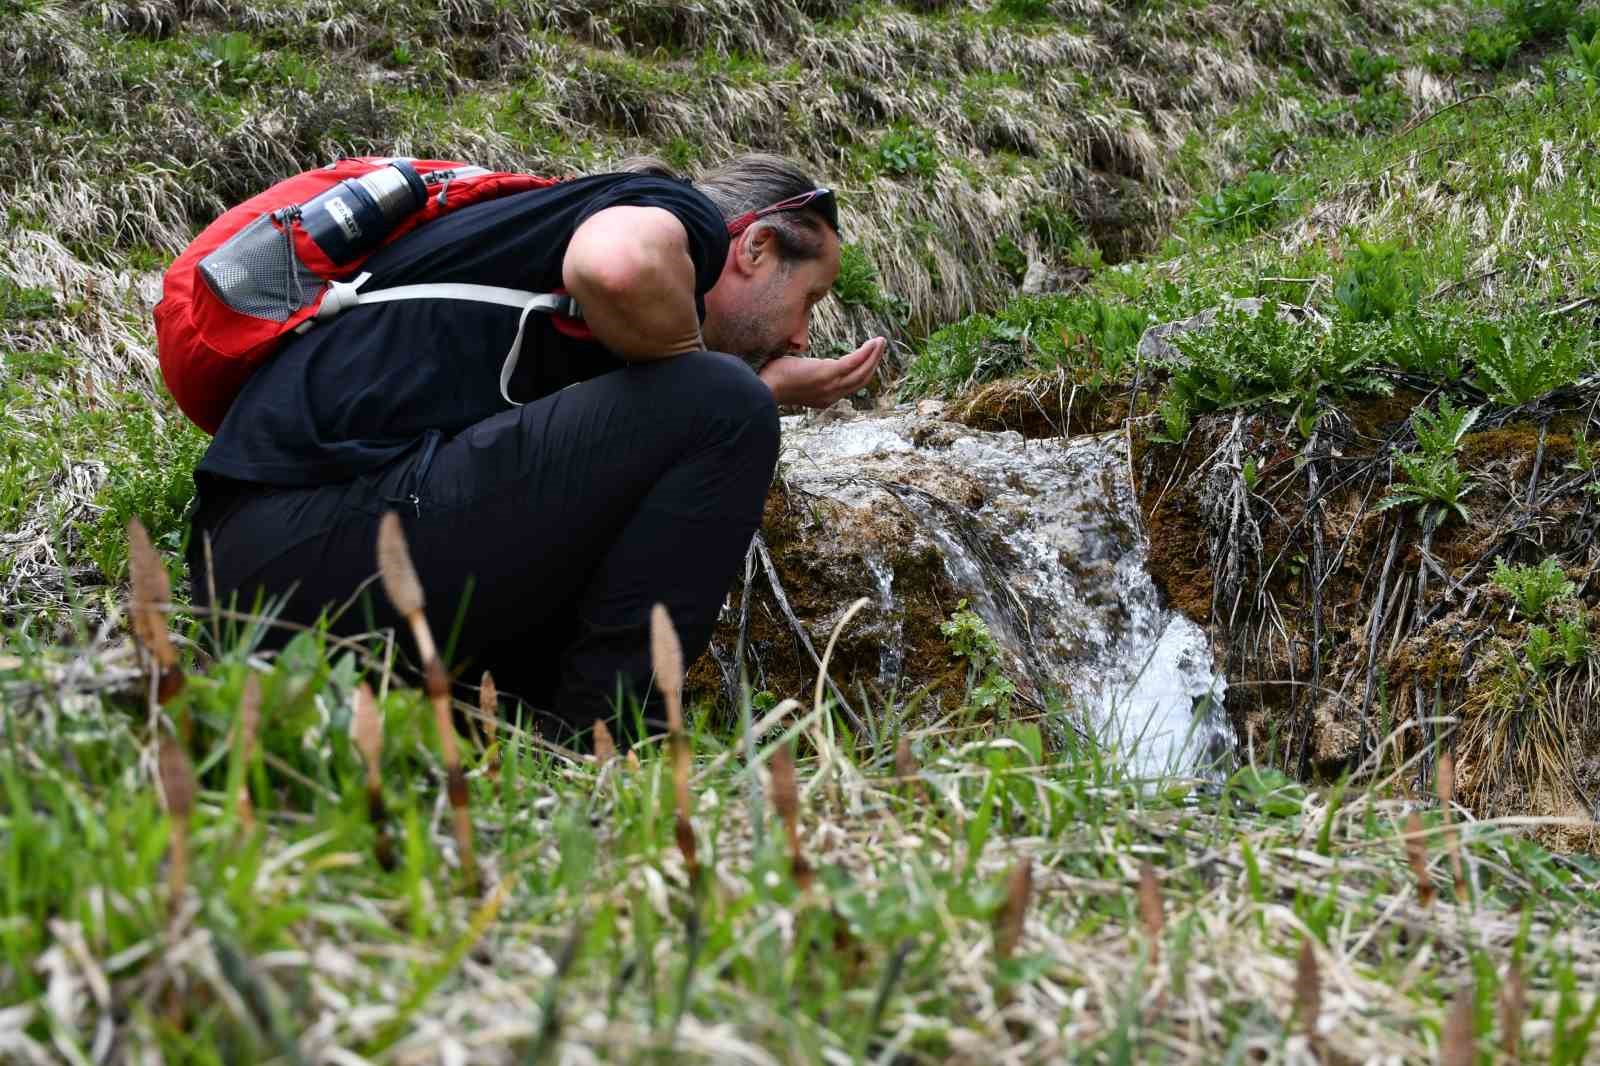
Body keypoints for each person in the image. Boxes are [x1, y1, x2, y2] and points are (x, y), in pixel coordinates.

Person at [186, 153, 886, 740]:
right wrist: (718, 387)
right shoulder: (673, 214)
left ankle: (531, 733)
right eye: (811, 298)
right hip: (310, 535)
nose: (800, 337)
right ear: (756, 247)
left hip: (262, 575)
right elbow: (618, 267)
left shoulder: (547, 273)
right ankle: (607, 749)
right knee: (725, 406)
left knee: (707, 415)